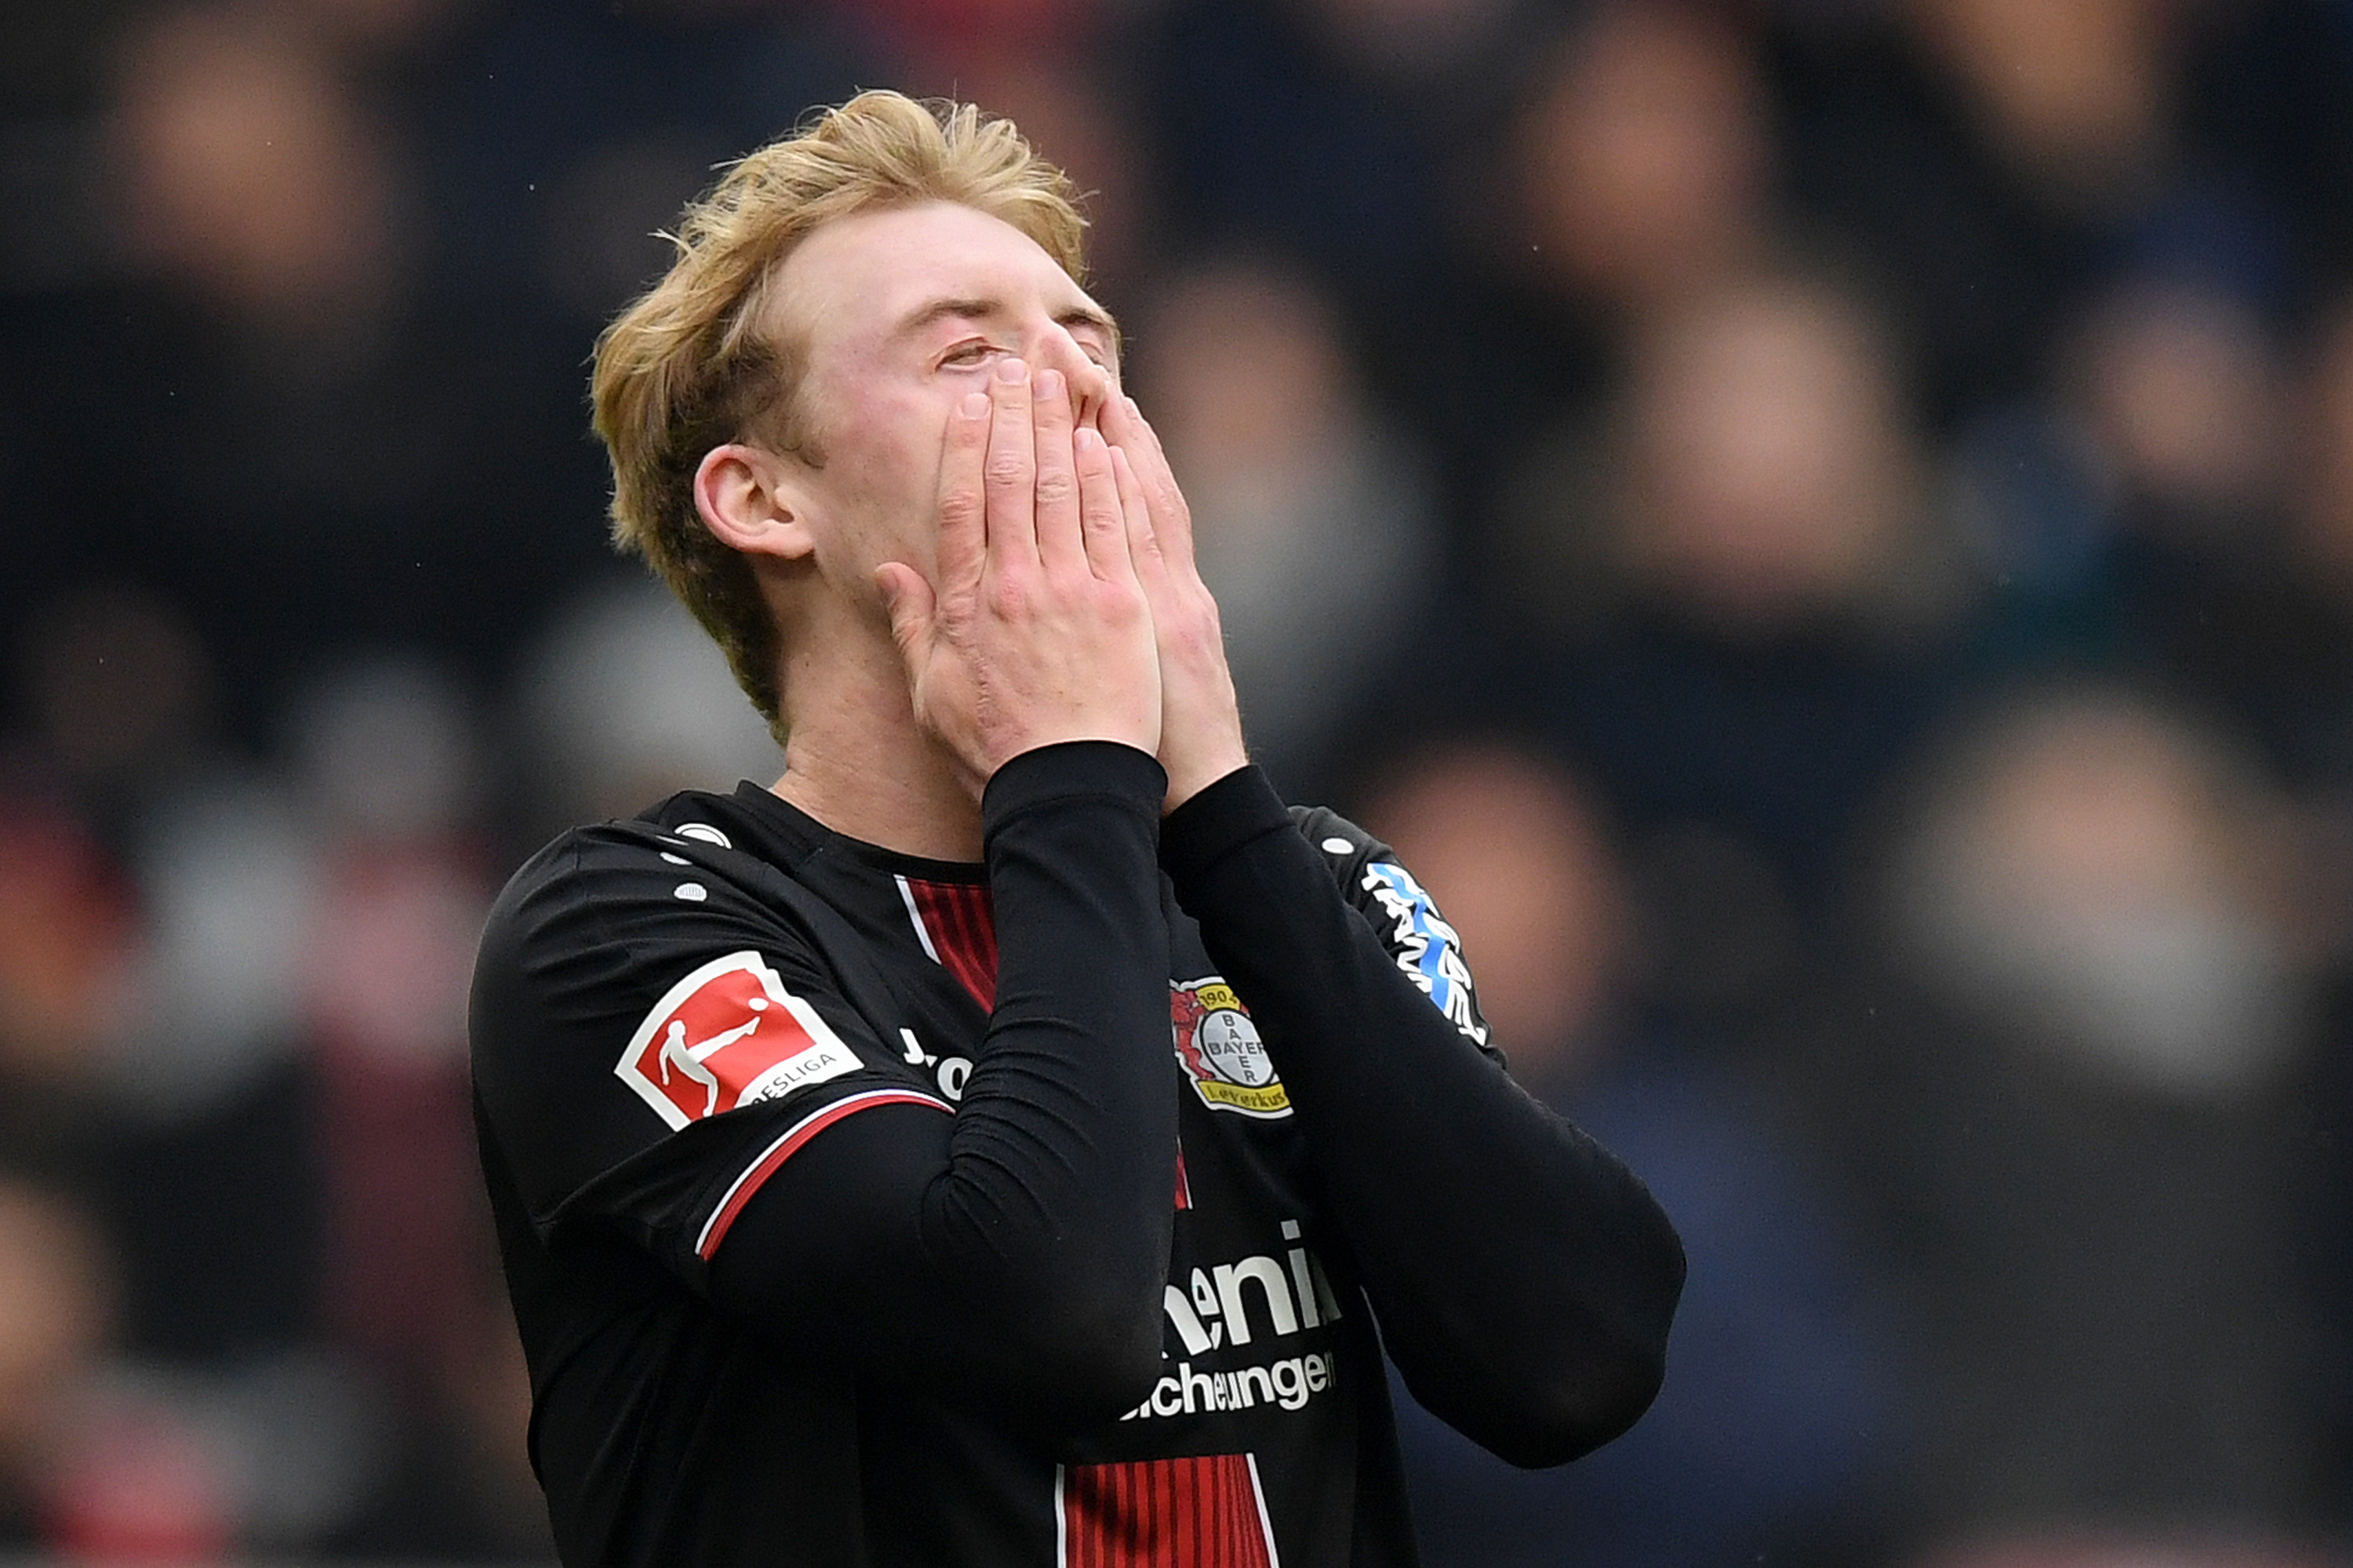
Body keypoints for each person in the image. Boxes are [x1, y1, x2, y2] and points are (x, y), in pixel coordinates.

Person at [467, 90, 1686, 1567]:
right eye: (969, 352)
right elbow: (1050, 1313)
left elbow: (1579, 1366)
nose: (1074, 395)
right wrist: (1067, 763)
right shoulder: (623, 928)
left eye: (1092, 343)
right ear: (764, 497)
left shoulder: (1320, 886)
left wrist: (1223, 810)